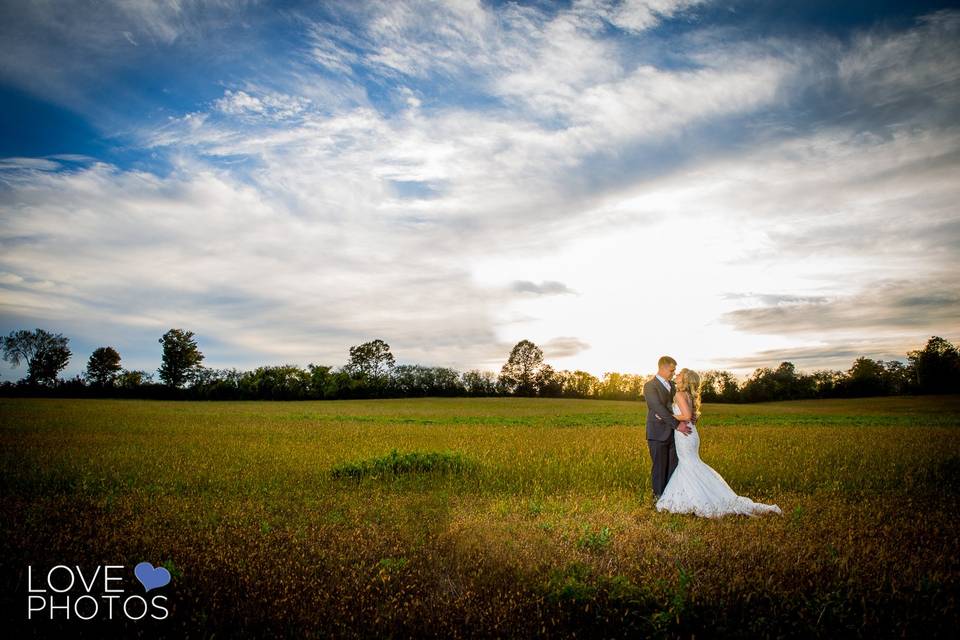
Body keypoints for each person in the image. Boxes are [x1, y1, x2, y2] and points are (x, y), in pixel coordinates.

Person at [655, 368, 783, 518]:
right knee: (690, 464)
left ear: (685, 380)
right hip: (689, 433)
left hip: (685, 434)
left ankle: (700, 499)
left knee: (689, 464)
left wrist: (667, 416)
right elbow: (692, 416)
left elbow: (687, 415)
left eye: (679, 374)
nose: (676, 375)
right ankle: (694, 496)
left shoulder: (680, 394)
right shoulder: (688, 395)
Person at [642, 356, 692, 501]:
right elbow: (657, 407)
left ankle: (670, 498)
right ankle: (658, 497)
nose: (673, 373)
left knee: (673, 467)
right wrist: (677, 424)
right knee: (659, 467)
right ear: (662, 367)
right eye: (671, 370)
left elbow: (678, 405)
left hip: (674, 434)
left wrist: (689, 415)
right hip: (657, 433)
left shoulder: (673, 385)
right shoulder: (650, 386)